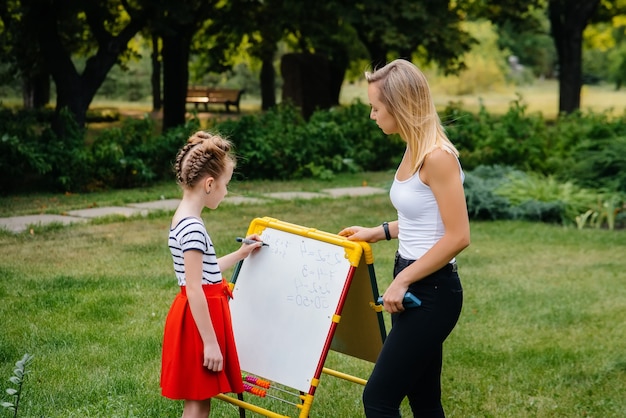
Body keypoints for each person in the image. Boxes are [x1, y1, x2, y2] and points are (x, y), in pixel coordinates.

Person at [339, 59, 470, 417]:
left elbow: (458, 235)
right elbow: (423, 219)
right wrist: (379, 232)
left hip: (432, 293)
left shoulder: (438, 157)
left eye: (376, 107)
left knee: (378, 399)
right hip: (414, 284)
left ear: (400, 107)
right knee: (424, 400)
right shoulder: (413, 148)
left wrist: (403, 279)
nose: (372, 115)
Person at [161, 131, 263, 417]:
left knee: (200, 399)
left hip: (196, 315)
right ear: (209, 184)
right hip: (199, 322)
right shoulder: (193, 226)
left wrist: (241, 254)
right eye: (225, 185)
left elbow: (205, 270)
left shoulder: (183, 217)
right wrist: (210, 343)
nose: (226, 192)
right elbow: (194, 288)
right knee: (198, 402)